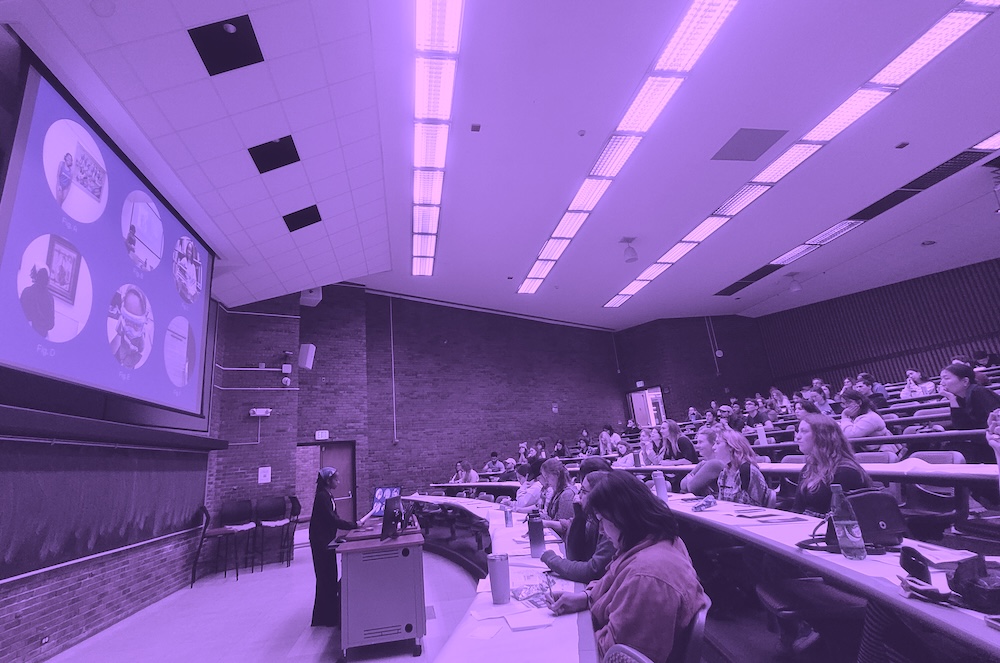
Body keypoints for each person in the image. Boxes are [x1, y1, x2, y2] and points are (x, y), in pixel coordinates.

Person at [548, 471, 709, 663]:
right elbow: (609, 581)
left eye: (601, 520)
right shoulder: (651, 542)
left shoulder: (647, 577)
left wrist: (564, 640)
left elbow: (614, 656)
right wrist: (585, 598)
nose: (600, 530)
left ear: (622, 517)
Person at [309, 467, 375, 627]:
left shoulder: (328, 496)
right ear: (327, 481)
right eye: (336, 479)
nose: (338, 481)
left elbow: (334, 518)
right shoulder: (322, 497)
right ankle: (326, 618)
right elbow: (332, 520)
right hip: (321, 542)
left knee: (329, 577)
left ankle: (327, 616)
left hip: (327, 539)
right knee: (326, 578)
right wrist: (354, 525)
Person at [541, 459, 615, 582]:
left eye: (584, 491)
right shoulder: (592, 518)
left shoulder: (611, 523)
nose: (578, 496)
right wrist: (579, 516)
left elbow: (592, 571)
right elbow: (574, 557)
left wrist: (551, 559)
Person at [790, 415, 872, 517]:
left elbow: (842, 519)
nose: (798, 436)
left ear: (822, 436)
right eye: (798, 431)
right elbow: (797, 509)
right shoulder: (809, 468)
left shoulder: (846, 472)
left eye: (804, 431)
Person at [712, 428, 768, 506]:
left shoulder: (747, 471)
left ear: (731, 446)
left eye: (718, 443)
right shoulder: (724, 473)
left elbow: (753, 506)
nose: (713, 447)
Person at [940, 363, 1000, 430]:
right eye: (941, 379)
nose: (941, 383)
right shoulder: (959, 397)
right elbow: (961, 426)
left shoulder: (980, 392)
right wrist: (951, 398)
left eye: (946, 378)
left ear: (965, 381)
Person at [679, 426, 725, 496]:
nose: (697, 446)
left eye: (701, 442)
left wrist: (691, 481)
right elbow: (683, 484)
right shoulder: (703, 463)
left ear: (713, 443)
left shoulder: (715, 463)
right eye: (697, 442)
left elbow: (691, 487)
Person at [19, 266, 55, 338]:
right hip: (42, 336)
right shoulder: (50, 298)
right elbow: (51, 324)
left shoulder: (27, 292)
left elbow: (19, 315)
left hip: (25, 333)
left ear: (34, 276)